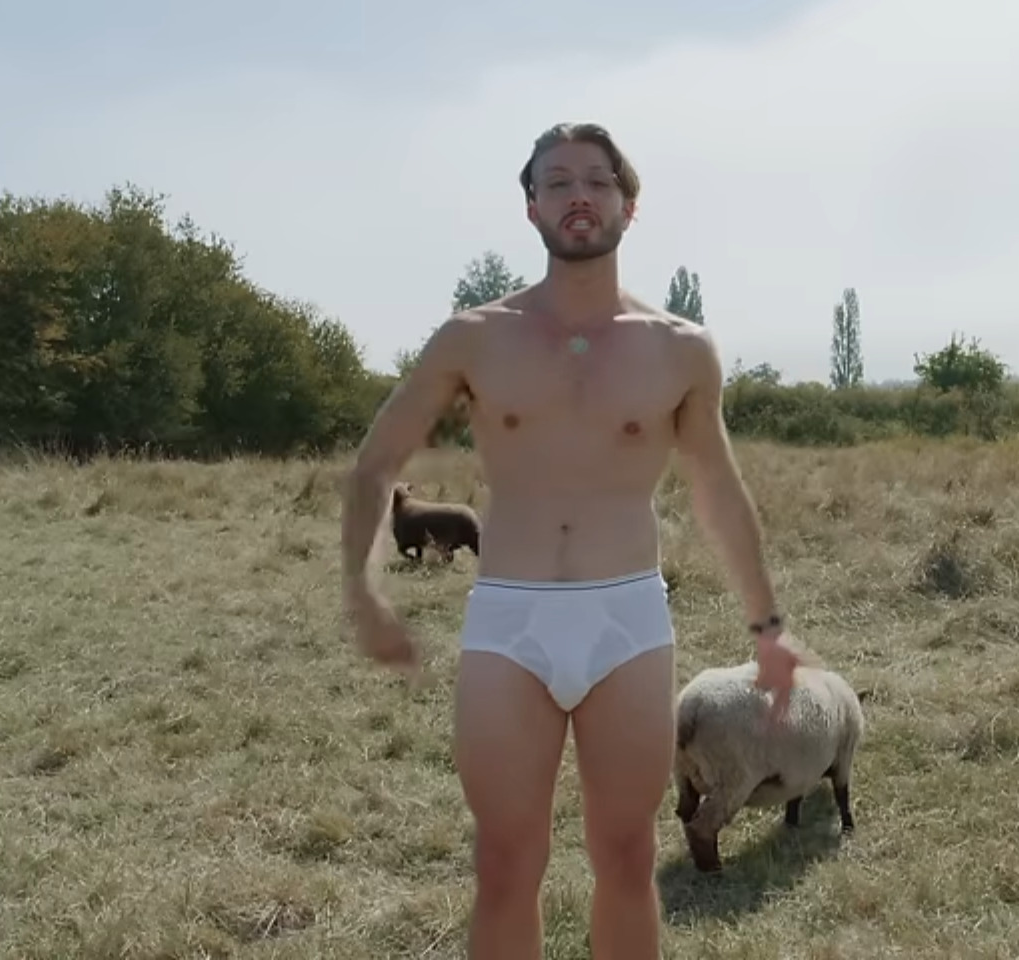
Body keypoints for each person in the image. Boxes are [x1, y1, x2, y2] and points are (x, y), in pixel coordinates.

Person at [338, 121, 808, 960]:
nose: (578, 195)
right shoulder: (473, 336)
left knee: (625, 858)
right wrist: (364, 594)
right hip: (507, 620)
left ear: (629, 205)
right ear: (531, 207)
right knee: (505, 864)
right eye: (556, 182)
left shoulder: (680, 348)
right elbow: (376, 465)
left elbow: (717, 489)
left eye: (597, 180)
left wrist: (768, 629)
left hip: (626, 621)